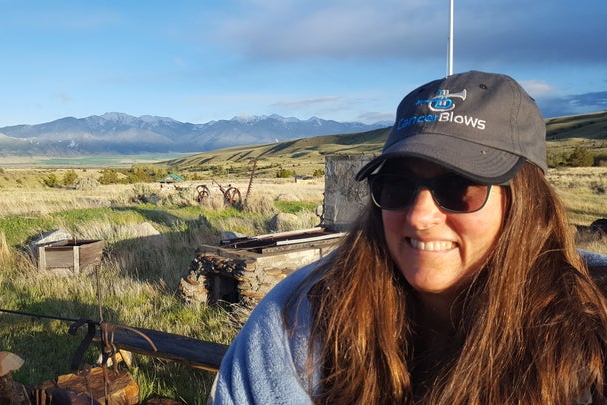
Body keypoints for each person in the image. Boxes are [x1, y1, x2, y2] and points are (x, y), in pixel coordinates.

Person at [208, 70, 607, 404]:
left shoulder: (592, 325)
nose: (419, 216)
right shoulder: (299, 319)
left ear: (525, 204)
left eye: (459, 188)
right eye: (397, 186)